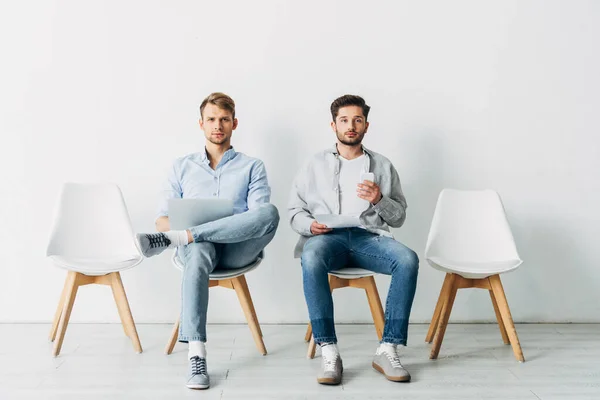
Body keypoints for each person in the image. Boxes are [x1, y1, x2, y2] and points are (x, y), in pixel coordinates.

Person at [137, 92, 279, 390]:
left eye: (224, 119)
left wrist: (187, 232)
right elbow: (162, 219)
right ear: (201, 124)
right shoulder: (181, 166)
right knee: (200, 248)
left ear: (234, 123)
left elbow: (258, 218)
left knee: (270, 212)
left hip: (238, 249)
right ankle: (196, 355)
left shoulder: (252, 166)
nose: (218, 125)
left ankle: (188, 235)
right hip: (196, 252)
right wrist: (185, 232)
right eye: (212, 119)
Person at [288, 94, 419, 385]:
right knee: (311, 256)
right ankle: (329, 350)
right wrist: (311, 226)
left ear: (366, 126)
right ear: (333, 124)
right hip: (327, 238)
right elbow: (294, 212)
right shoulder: (313, 165)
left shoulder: (383, 166)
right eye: (344, 120)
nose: (351, 126)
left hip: (368, 238)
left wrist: (379, 199)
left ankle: (388, 349)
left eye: (357, 120)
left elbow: (398, 217)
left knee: (407, 259)